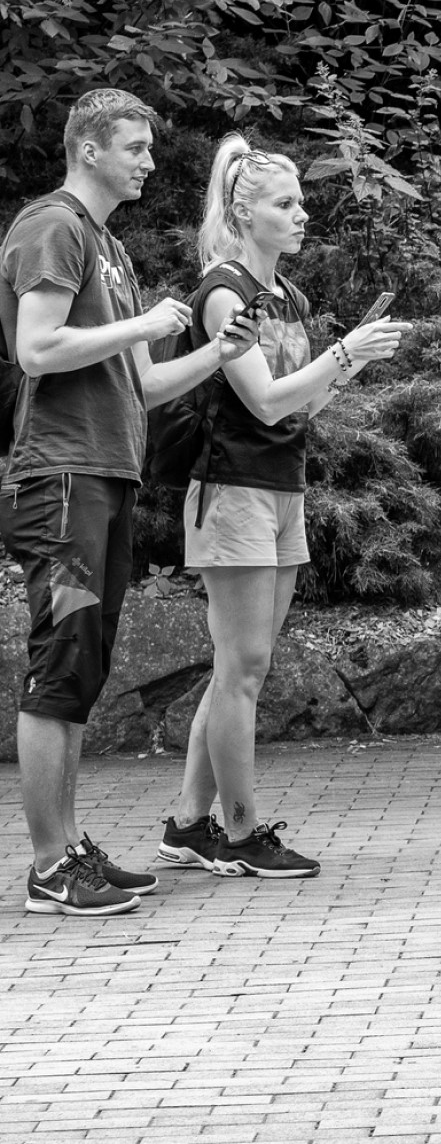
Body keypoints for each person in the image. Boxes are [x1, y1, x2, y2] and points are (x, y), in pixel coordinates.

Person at [2, 89, 259, 917]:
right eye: (136, 146)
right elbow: (35, 347)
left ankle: (70, 847)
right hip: (61, 475)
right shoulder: (54, 226)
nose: (150, 161)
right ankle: (49, 866)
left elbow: (140, 384)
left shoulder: (107, 246)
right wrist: (143, 321)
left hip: (106, 472)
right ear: (88, 149)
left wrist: (216, 356)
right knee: (61, 663)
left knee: (84, 670)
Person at [152, 136, 411, 881]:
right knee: (244, 666)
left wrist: (350, 359)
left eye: (300, 201)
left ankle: (187, 825)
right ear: (244, 211)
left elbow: (303, 405)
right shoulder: (224, 291)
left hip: (280, 487)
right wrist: (340, 354)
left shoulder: (288, 297)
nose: (303, 214)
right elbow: (262, 399)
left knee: (241, 668)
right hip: (231, 489)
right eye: (286, 203)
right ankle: (237, 833)